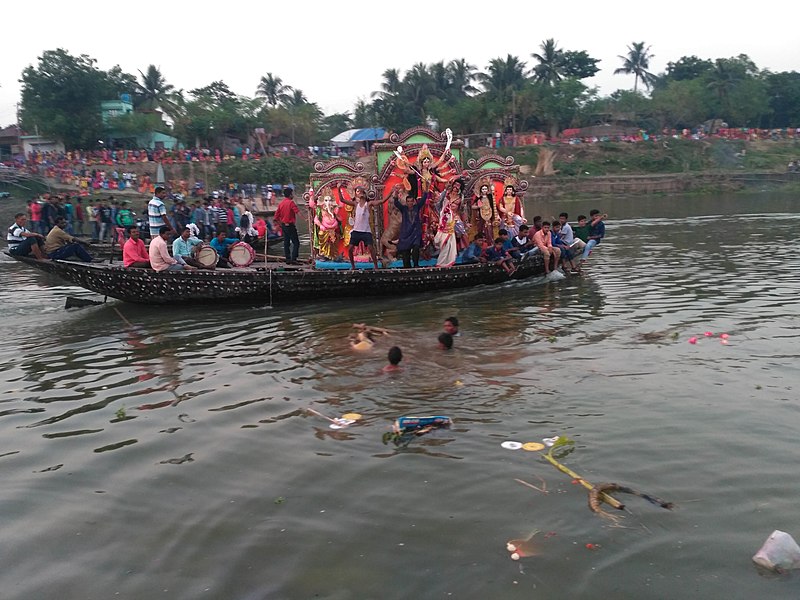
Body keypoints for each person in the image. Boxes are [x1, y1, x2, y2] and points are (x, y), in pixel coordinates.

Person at [337, 183, 388, 270]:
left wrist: (390, 193)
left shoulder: (368, 204)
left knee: (371, 248)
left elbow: (381, 201)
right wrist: (338, 189)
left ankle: (376, 267)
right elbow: (342, 200)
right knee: (350, 249)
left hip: (366, 231)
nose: (360, 194)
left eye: (362, 192)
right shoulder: (355, 204)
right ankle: (353, 266)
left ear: (365, 195)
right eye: (359, 192)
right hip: (356, 231)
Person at [395, 191, 425, 268]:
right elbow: (396, 203)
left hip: (415, 233)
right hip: (406, 233)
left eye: (411, 201)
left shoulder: (417, 207)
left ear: (413, 202)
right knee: (406, 252)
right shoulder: (403, 209)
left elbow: (423, 199)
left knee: (416, 248)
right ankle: (407, 268)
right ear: (406, 202)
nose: (410, 203)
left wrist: (426, 191)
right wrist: (395, 194)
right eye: (408, 201)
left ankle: (416, 265)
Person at [274, 187, 300, 264]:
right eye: (292, 194)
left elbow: (275, 217)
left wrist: (280, 225)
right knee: (296, 243)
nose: (293, 195)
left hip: (284, 226)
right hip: (290, 225)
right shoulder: (291, 202)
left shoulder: (281, 203)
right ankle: (293, 259)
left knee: (286, 243)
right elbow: (297, 212)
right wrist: (306, 219)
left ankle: (288, 259)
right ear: (290, 194)